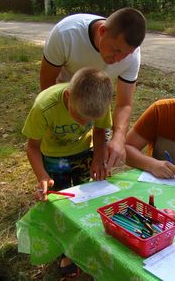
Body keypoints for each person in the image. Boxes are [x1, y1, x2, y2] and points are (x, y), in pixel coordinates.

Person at [22, 68, 113, 278]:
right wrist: (42, 176)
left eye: (89, 120)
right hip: (55, 157)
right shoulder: (44, 106)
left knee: (85, 199)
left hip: (83, 153)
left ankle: (82, 242)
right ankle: (65, 251)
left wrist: (98, 158)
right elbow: (32, 147)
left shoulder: (99, 102)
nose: (83, 124)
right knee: (61, 203)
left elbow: (99, 131)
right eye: (80, 116)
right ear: (68, 96)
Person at [40, 7, 146, 172]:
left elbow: (124, 103)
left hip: (95, 103)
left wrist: (118, 137)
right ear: (102, 31)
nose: (118, 59)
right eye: (116, 50)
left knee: (92, 165)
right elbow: (46, 83)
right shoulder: (65, 34)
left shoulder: (132, 56)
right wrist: (61, 118)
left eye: (126, 54)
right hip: (64, 99)